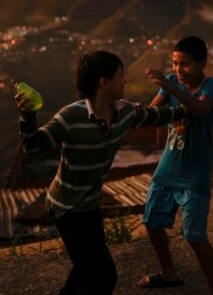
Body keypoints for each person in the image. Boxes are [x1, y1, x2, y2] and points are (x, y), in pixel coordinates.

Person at [14, 50, 188, 295]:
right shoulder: (71, 117)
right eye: (120, 76)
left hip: (90, 205)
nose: (125, 80)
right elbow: (33, 145)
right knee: (104, 274)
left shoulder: (125, 113)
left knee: (85, 268)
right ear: (104, 82)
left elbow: (156, 116)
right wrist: (27, 115)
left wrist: (190, 108)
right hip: (66, 207)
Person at [138, 36, 213, 295]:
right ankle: (169, 272)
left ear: (202, 64)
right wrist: (132, 112)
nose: (178, 70)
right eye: (174, 64)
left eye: (185, 64)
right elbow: (153, 112)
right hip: (168, 167)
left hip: (195, 173)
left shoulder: (212, 85)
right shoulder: (172, 82)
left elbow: (198, 108)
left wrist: (169, 86)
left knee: (195, 237)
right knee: (152, 222)